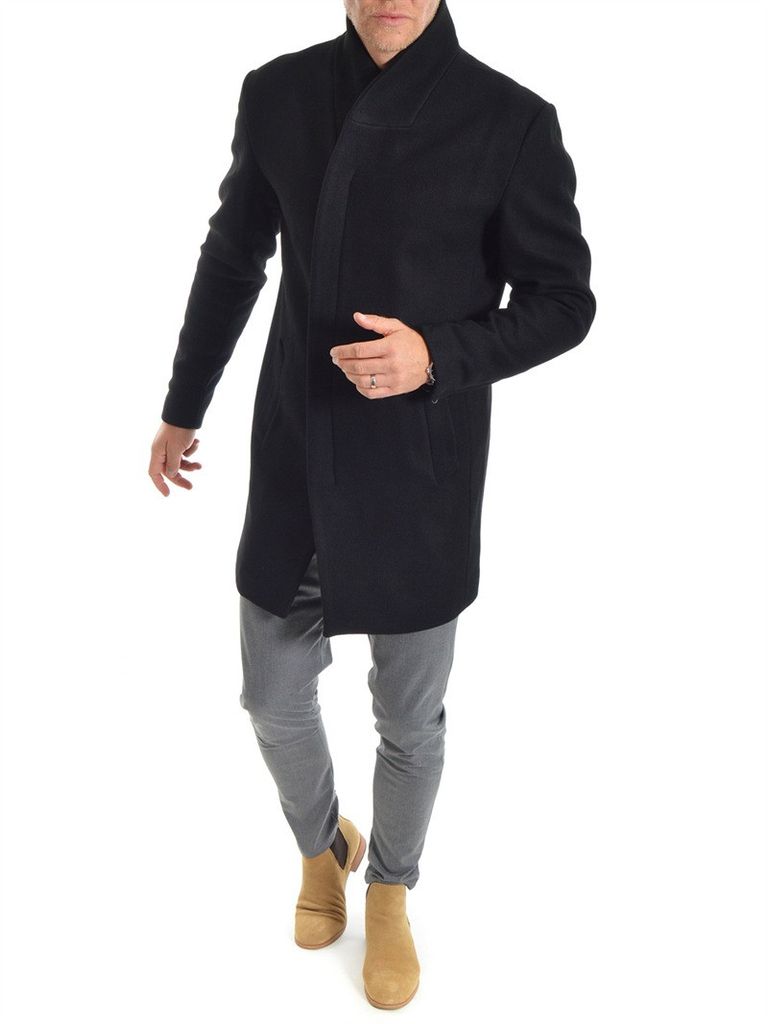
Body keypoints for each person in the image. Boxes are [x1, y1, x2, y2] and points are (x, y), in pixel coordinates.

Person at [148, 0, 596, 1010]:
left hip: (420, 469)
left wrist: (438, 354)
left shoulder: (510, 119)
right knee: (270, 695)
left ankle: (390, 888)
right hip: (297, 450)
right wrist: (182, 404)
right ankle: (324, 847)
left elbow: (565, 302)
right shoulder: (279, 93)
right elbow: (233, 255)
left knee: (409, 717)